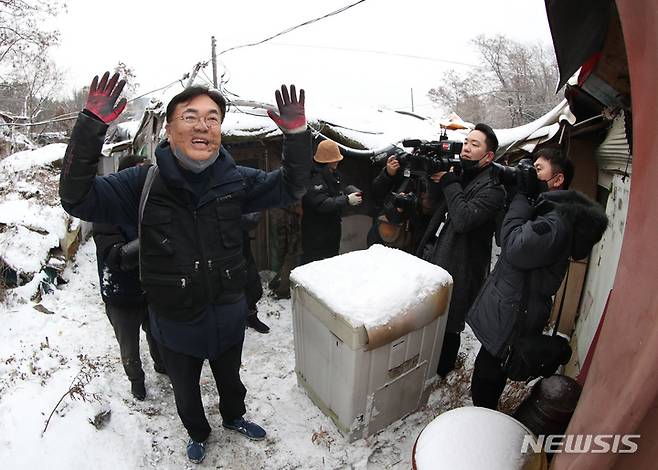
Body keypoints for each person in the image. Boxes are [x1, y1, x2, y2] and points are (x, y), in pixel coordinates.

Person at [59, 72, 312, 464]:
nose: (203, 125)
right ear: (169, 127)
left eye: (213, 118)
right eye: (191, 116)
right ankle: (197, 432)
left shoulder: (235, 181)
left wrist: (297, 138)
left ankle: (234, 416)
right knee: (186, 390)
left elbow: (291, 187)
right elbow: (76, 198)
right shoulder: (140, 184)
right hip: (174, 322)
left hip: (227, 315)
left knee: (231, 379)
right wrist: (91, 127)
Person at [467, 148, 607, 410]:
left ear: (557, 180)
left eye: (538, 169)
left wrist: (522, 196)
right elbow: (506, 235)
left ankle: (482, 424)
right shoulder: (544, 210)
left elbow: (515, 248)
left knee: (488, 374)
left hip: (516, 311)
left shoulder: (555, 221)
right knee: (488, 367)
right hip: (512, 305)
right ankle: (482, 417)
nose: (531, 174)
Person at [416, 123, 505, 377]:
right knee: (430, 317)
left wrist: (450, 182)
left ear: (488, 156)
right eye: (466, 142)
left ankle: (441, 373)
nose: (466, 148)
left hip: (461, 266)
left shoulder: (493, 189)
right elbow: (436, 206)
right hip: (437, 253)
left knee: (450, 325)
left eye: (474, 145)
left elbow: (464, 219)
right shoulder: (460, 174)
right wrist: (438, 180)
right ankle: (425, 363)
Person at [92, 155, 165, 401]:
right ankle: (137, 381)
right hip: (120, 294)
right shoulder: (105, 211)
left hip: (151, 289)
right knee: (129, 348)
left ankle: (161, 365)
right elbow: (116, 256)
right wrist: (153, 237)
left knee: (157, 335)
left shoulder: (152, 205)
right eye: (140, 175)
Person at [300, 139, 362, 264]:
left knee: (331, 262)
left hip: (330, 230)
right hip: (316, 233)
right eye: (335, 158)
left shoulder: (332, 173)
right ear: (327, 160)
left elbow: (335, 192)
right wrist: (347, 199)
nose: (338, 161)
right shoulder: (314, 178)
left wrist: (348, 192)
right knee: (314, 265)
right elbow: (322, 204)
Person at [367, 154, 432, 253]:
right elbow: (377, 192)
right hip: (387, 226)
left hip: (413, 236)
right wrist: (388, 173)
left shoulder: (432, 179)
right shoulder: (403, 168)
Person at [242, 212, 269, 333]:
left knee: (253, 287)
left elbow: (252, 218)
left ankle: (252, 317)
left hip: (240, 243)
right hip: (216, 248)